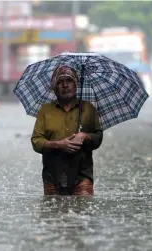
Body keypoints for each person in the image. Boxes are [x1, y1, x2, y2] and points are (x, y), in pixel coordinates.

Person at [31, 66, 103, 196]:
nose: (65, 85)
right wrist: (59, 144)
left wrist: (84, 136)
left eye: (69, 81)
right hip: (52, 174)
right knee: (52, 212)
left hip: (82, 173)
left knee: (83, 209)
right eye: (60, 82)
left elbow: (98, 138)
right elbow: (36, 141)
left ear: (76, 85)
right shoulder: (45, 111)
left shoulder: (88, 108)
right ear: (55, 87)